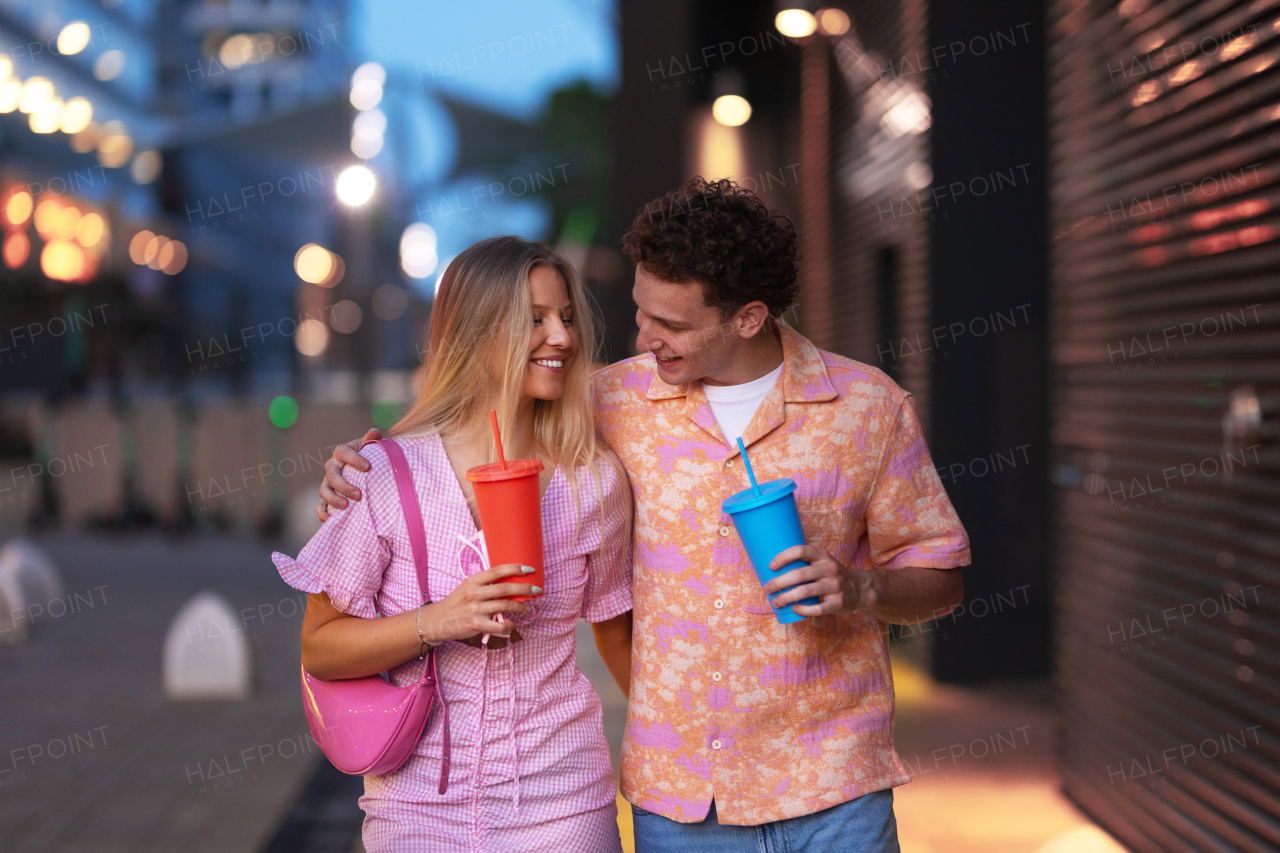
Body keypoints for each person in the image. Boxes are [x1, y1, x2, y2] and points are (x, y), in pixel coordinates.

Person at [320, 178, 971, 852]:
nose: (643, 336)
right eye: (639, 310)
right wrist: (367, 460)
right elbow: (478, 412)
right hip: (684, 804)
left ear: (748, 317)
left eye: (672, 324)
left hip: (836, 791)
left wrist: (862, 587)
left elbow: (941, 574)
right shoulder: (606, 404)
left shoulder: (868, 409)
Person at [278, 235, 634, 853]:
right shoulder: (385, 473)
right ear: (478, 332)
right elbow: (320, 648)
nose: (563, 338)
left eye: (568, 319)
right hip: (416, 806)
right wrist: (441, 621)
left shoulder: (593, 480)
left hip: (562, 800)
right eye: (536, 320)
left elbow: (617, 633)